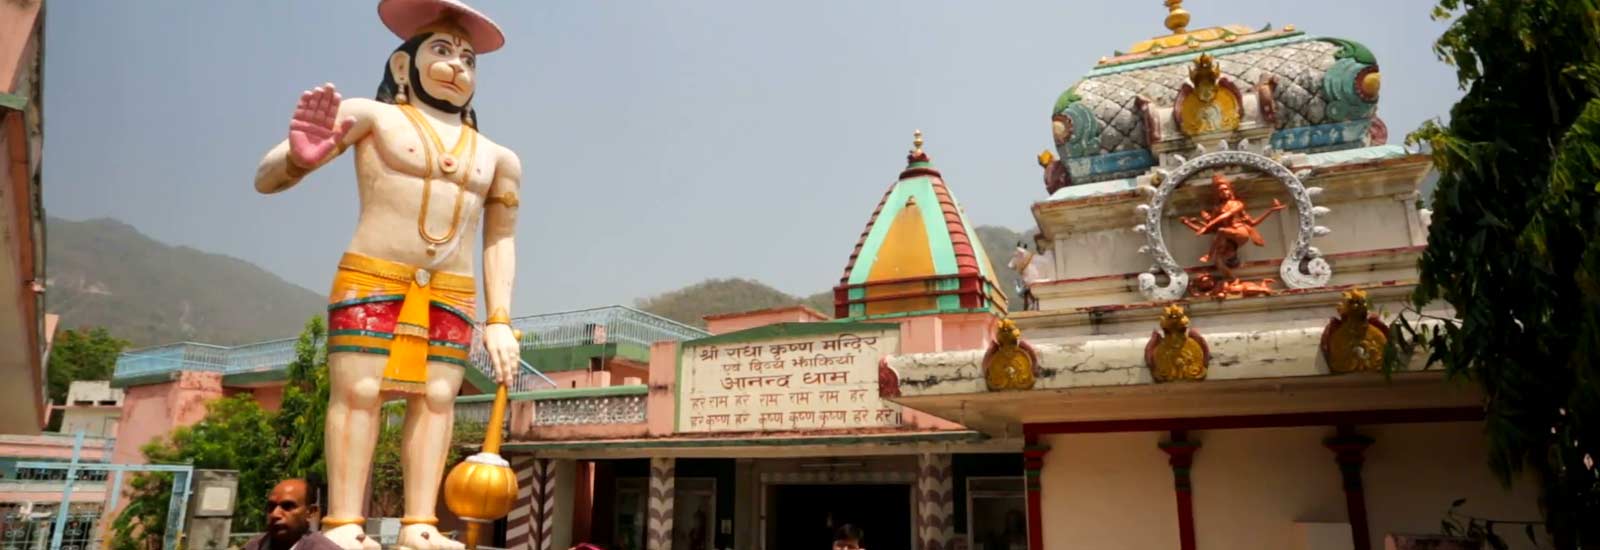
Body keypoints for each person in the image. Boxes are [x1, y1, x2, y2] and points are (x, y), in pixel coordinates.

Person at [252, 2, 523, 549]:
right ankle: (345, 523)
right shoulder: (371, 115)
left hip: (451, 287)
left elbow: (500, 237)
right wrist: (301, 160)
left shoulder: (498, 157)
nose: (458, 66)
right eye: (442, 51)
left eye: (468, 58)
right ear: (403, 67)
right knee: (359, 392)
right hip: (374, 275)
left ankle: (420, 522)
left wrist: (499, 318)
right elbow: (266, 176)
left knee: (439, 399)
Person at [242, 479, 342, 550]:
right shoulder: (254, 546)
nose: (275, 514)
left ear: (311, 512)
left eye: (287, 506)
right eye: (271, 507)